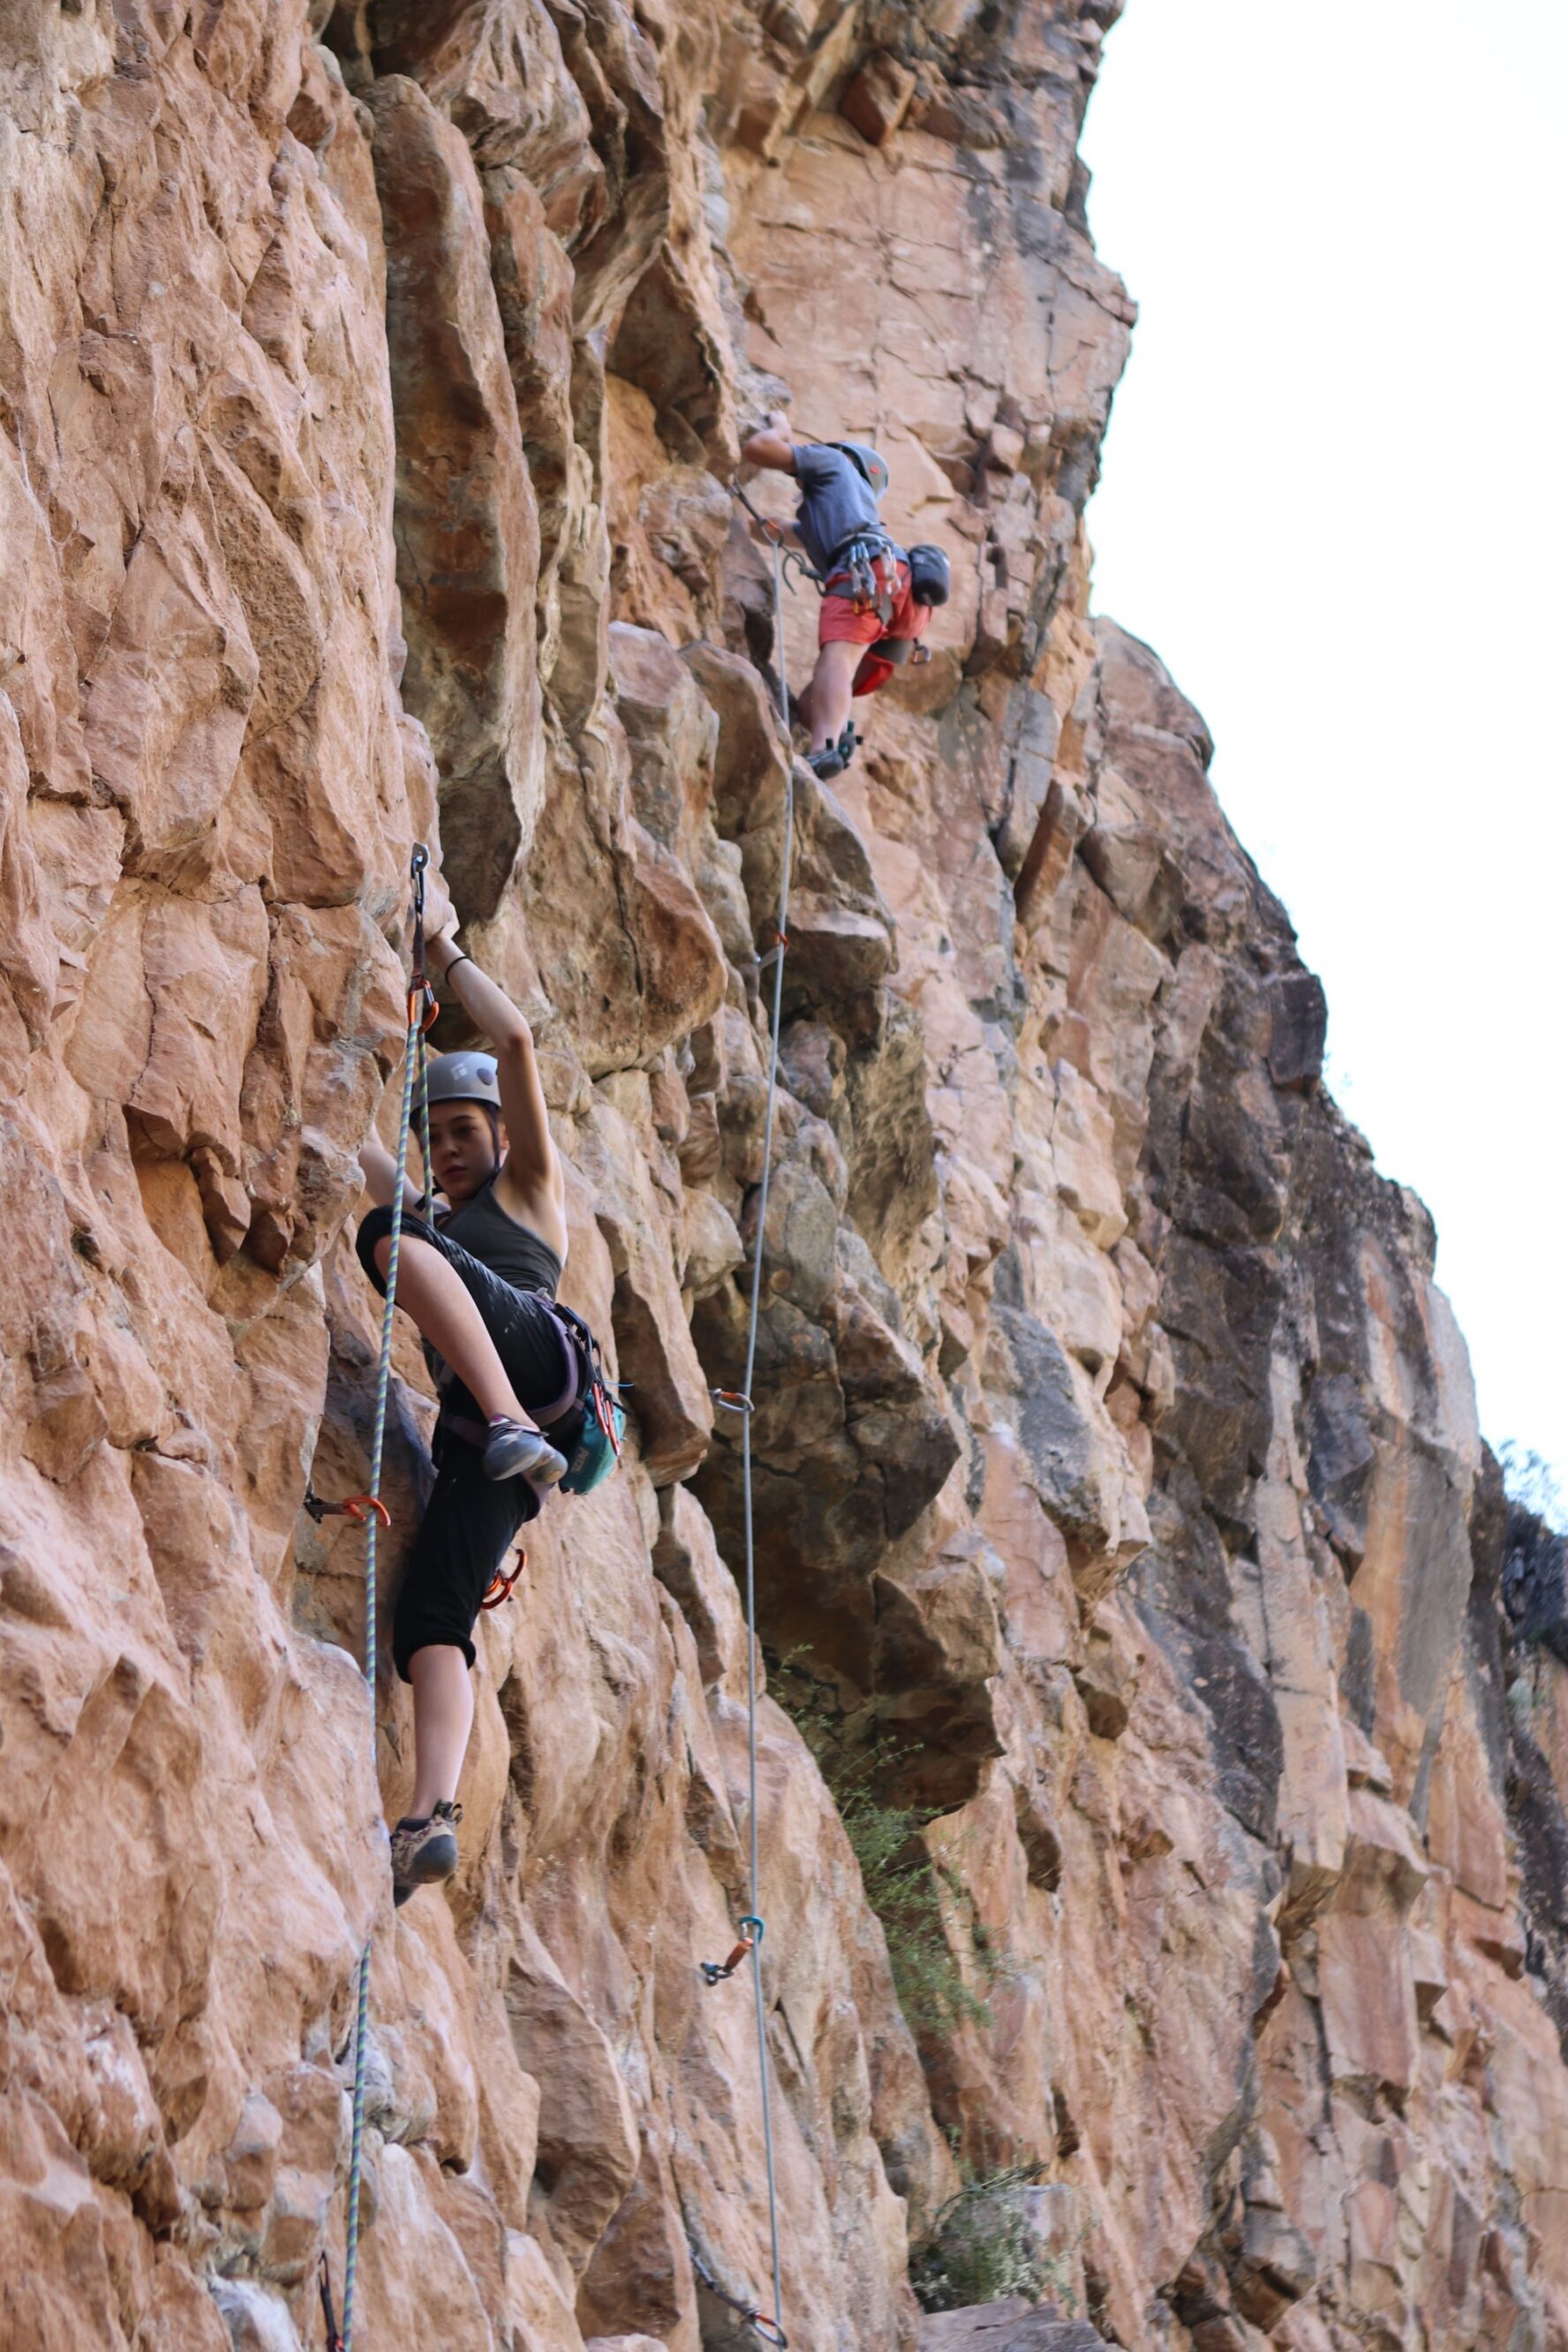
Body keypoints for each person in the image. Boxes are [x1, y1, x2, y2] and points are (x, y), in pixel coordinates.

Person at [356, 868, 575, 1905]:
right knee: (432, 1620)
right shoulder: (434, 1221)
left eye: (461, 1132)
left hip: (533, 1365)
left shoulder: (528, 1192)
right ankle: (426, 1817)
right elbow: (371, 1169)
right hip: (497, 1446)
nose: (446, 1151)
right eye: (433, 1137)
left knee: (393, 1241)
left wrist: (441, 947)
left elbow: (517, 1041)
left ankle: (499, 1425)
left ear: (495, 1131)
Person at [738, 410, 931, 779]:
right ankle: (836, 735)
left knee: (836, 662)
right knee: (812, 702)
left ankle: (824, 747)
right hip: (896, 590)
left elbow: (758, 448)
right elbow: (770, 532)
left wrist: (782, 430)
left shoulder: (834, 463)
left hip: (867, 569)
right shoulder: (828, 517)